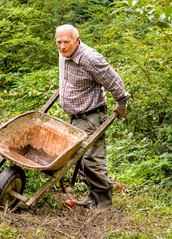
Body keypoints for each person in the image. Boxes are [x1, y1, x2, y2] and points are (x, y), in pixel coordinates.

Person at [55, 24, 130, 210]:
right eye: (59, 42)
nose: (62, 46)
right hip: (75, 116)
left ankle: (104, 206)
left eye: (67, 42)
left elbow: (115, 82)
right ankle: (93, 198)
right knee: (79, 160)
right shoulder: (65, 54)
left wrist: (121, 105)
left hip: (91, 117)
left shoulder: (90, 59)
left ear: (77, 40)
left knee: (92, 161)